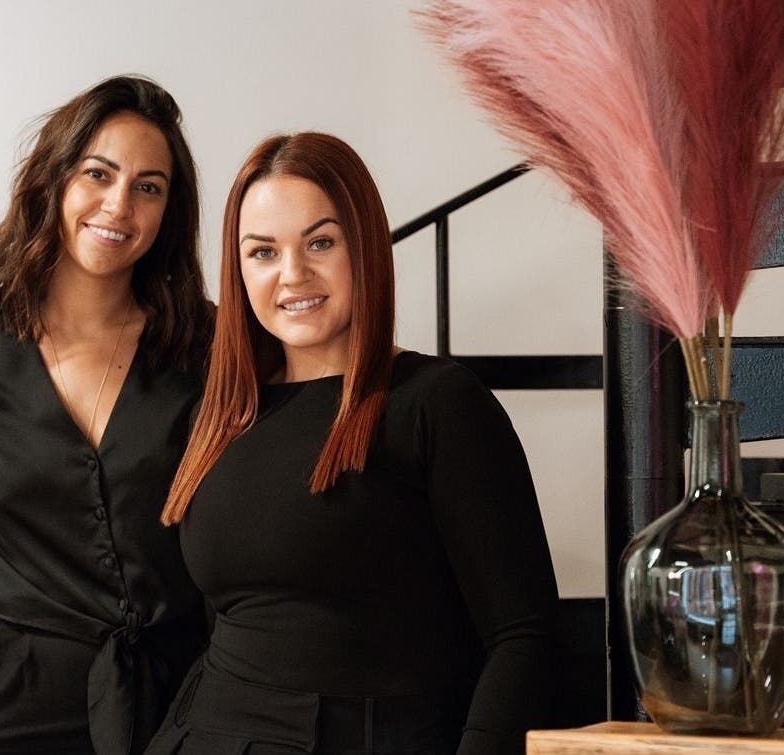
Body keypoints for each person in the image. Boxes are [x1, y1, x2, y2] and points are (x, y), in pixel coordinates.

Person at [149, 132, 558, 755]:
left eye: (320, 242)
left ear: (362, 246)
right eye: (262, 252)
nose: (293, 274)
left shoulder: (435, 402)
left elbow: (523, 636)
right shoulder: (222, 415)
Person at [0, 75, 214, 755]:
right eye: (98, 173)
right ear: (53, 179)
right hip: (9, 708)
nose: (120, 204)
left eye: (149, 186)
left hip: (185, 704)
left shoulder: (207, 352)